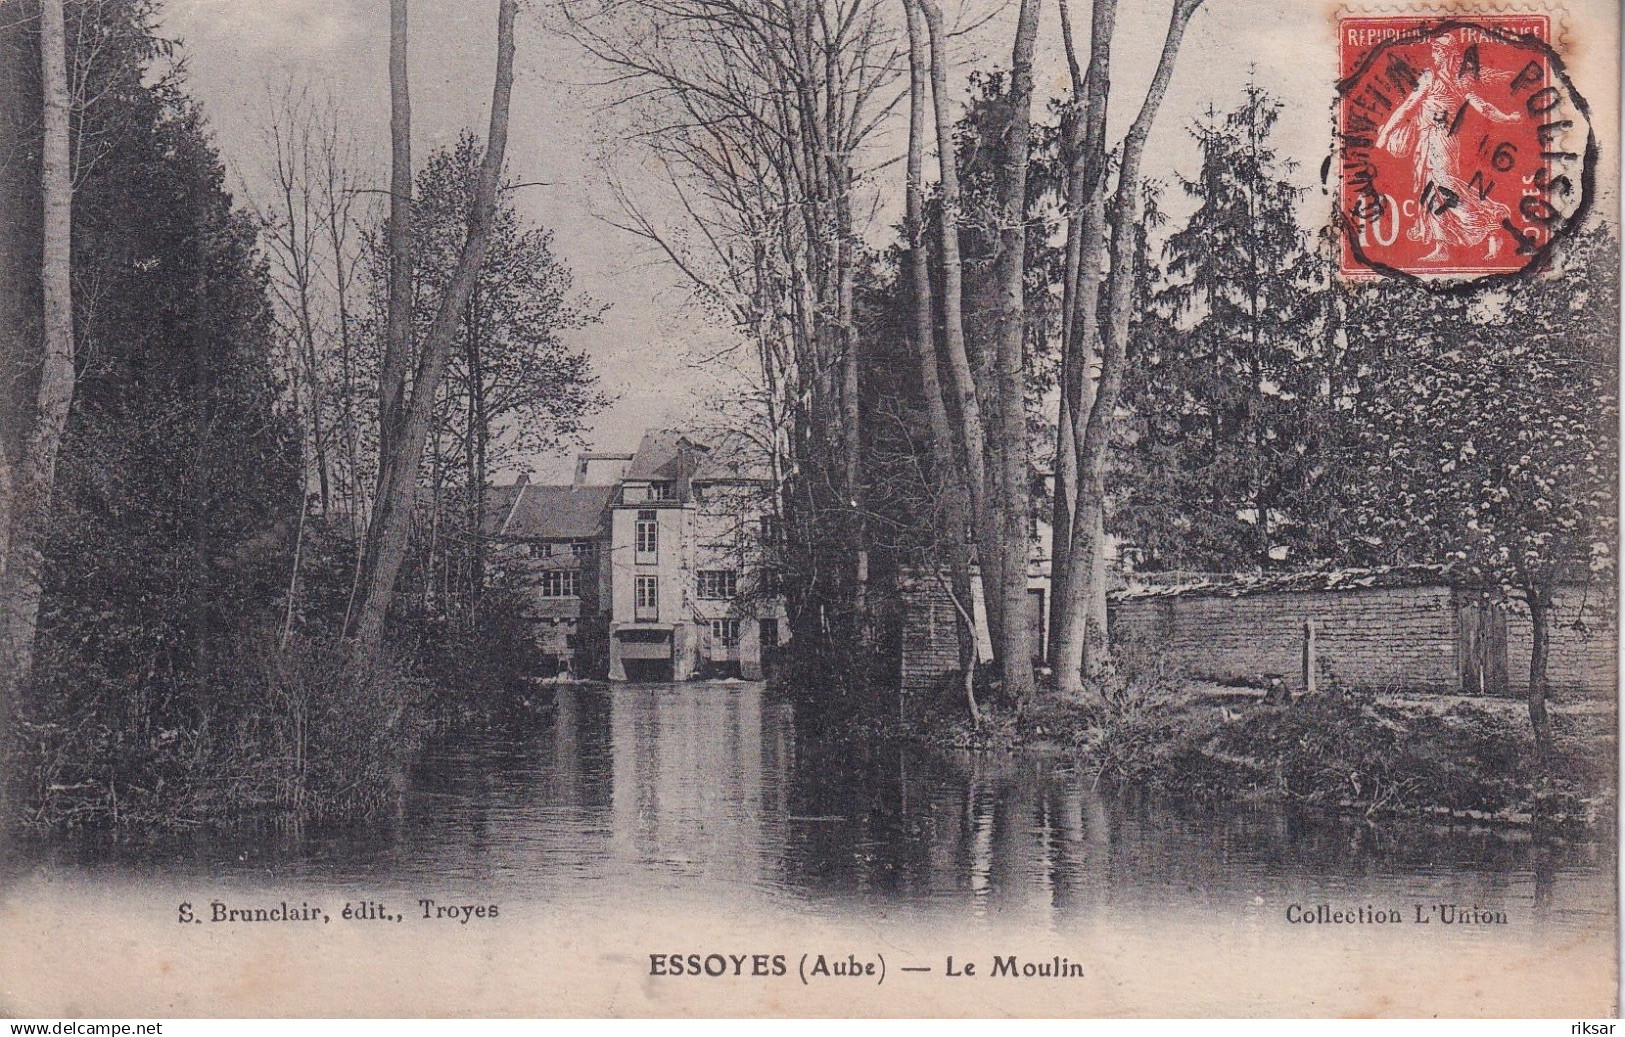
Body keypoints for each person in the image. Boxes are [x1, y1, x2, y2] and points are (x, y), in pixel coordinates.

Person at [1375, 31, 1521, 261]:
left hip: (1444, 140)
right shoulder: (1429, 77)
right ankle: (1441, 246)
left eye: (1438, 51)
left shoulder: (1460, 80)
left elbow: (1483, 107)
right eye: (1434, 51)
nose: (1434, 55)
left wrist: (1508, 118)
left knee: (1445, 186)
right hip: (1425, 141)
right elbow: (1408, 107)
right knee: (1430, 189)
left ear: (1448, 55)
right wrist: (1385, 133)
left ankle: (1492, 222)